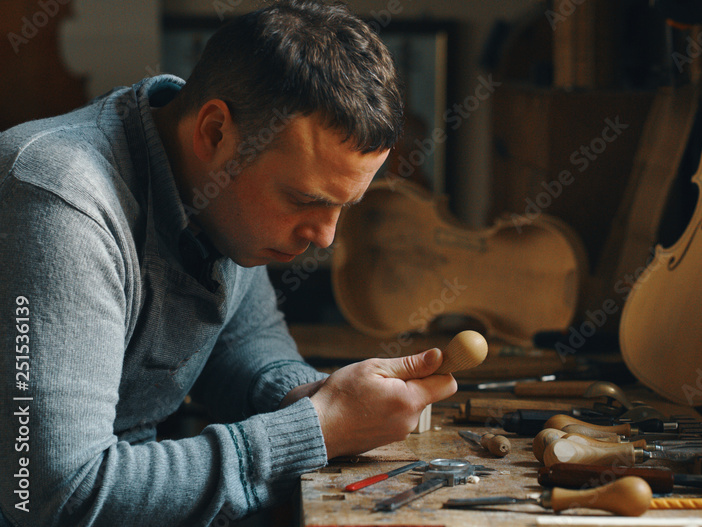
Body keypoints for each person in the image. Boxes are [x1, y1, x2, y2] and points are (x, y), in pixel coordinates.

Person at [0, 1, 457, 525]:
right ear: (215, 132)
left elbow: (242, 341)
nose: (326, 238)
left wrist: (308, 396)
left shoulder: (218, 198)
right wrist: (316, 429)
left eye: (342, 207)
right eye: (304, 199)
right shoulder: (61, 201)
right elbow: (53, 496)